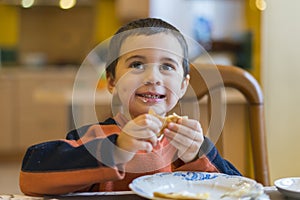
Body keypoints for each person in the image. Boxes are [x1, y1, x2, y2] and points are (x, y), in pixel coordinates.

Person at [19, 18, 241, 196]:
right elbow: (31, 173)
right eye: (136, 64)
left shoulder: (191, 145)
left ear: (183, 85)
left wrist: (198, 155)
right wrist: (116, 149)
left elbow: (240, 188)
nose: (152, 77)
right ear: (112, 81)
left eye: (167, 66)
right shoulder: (96, 137)